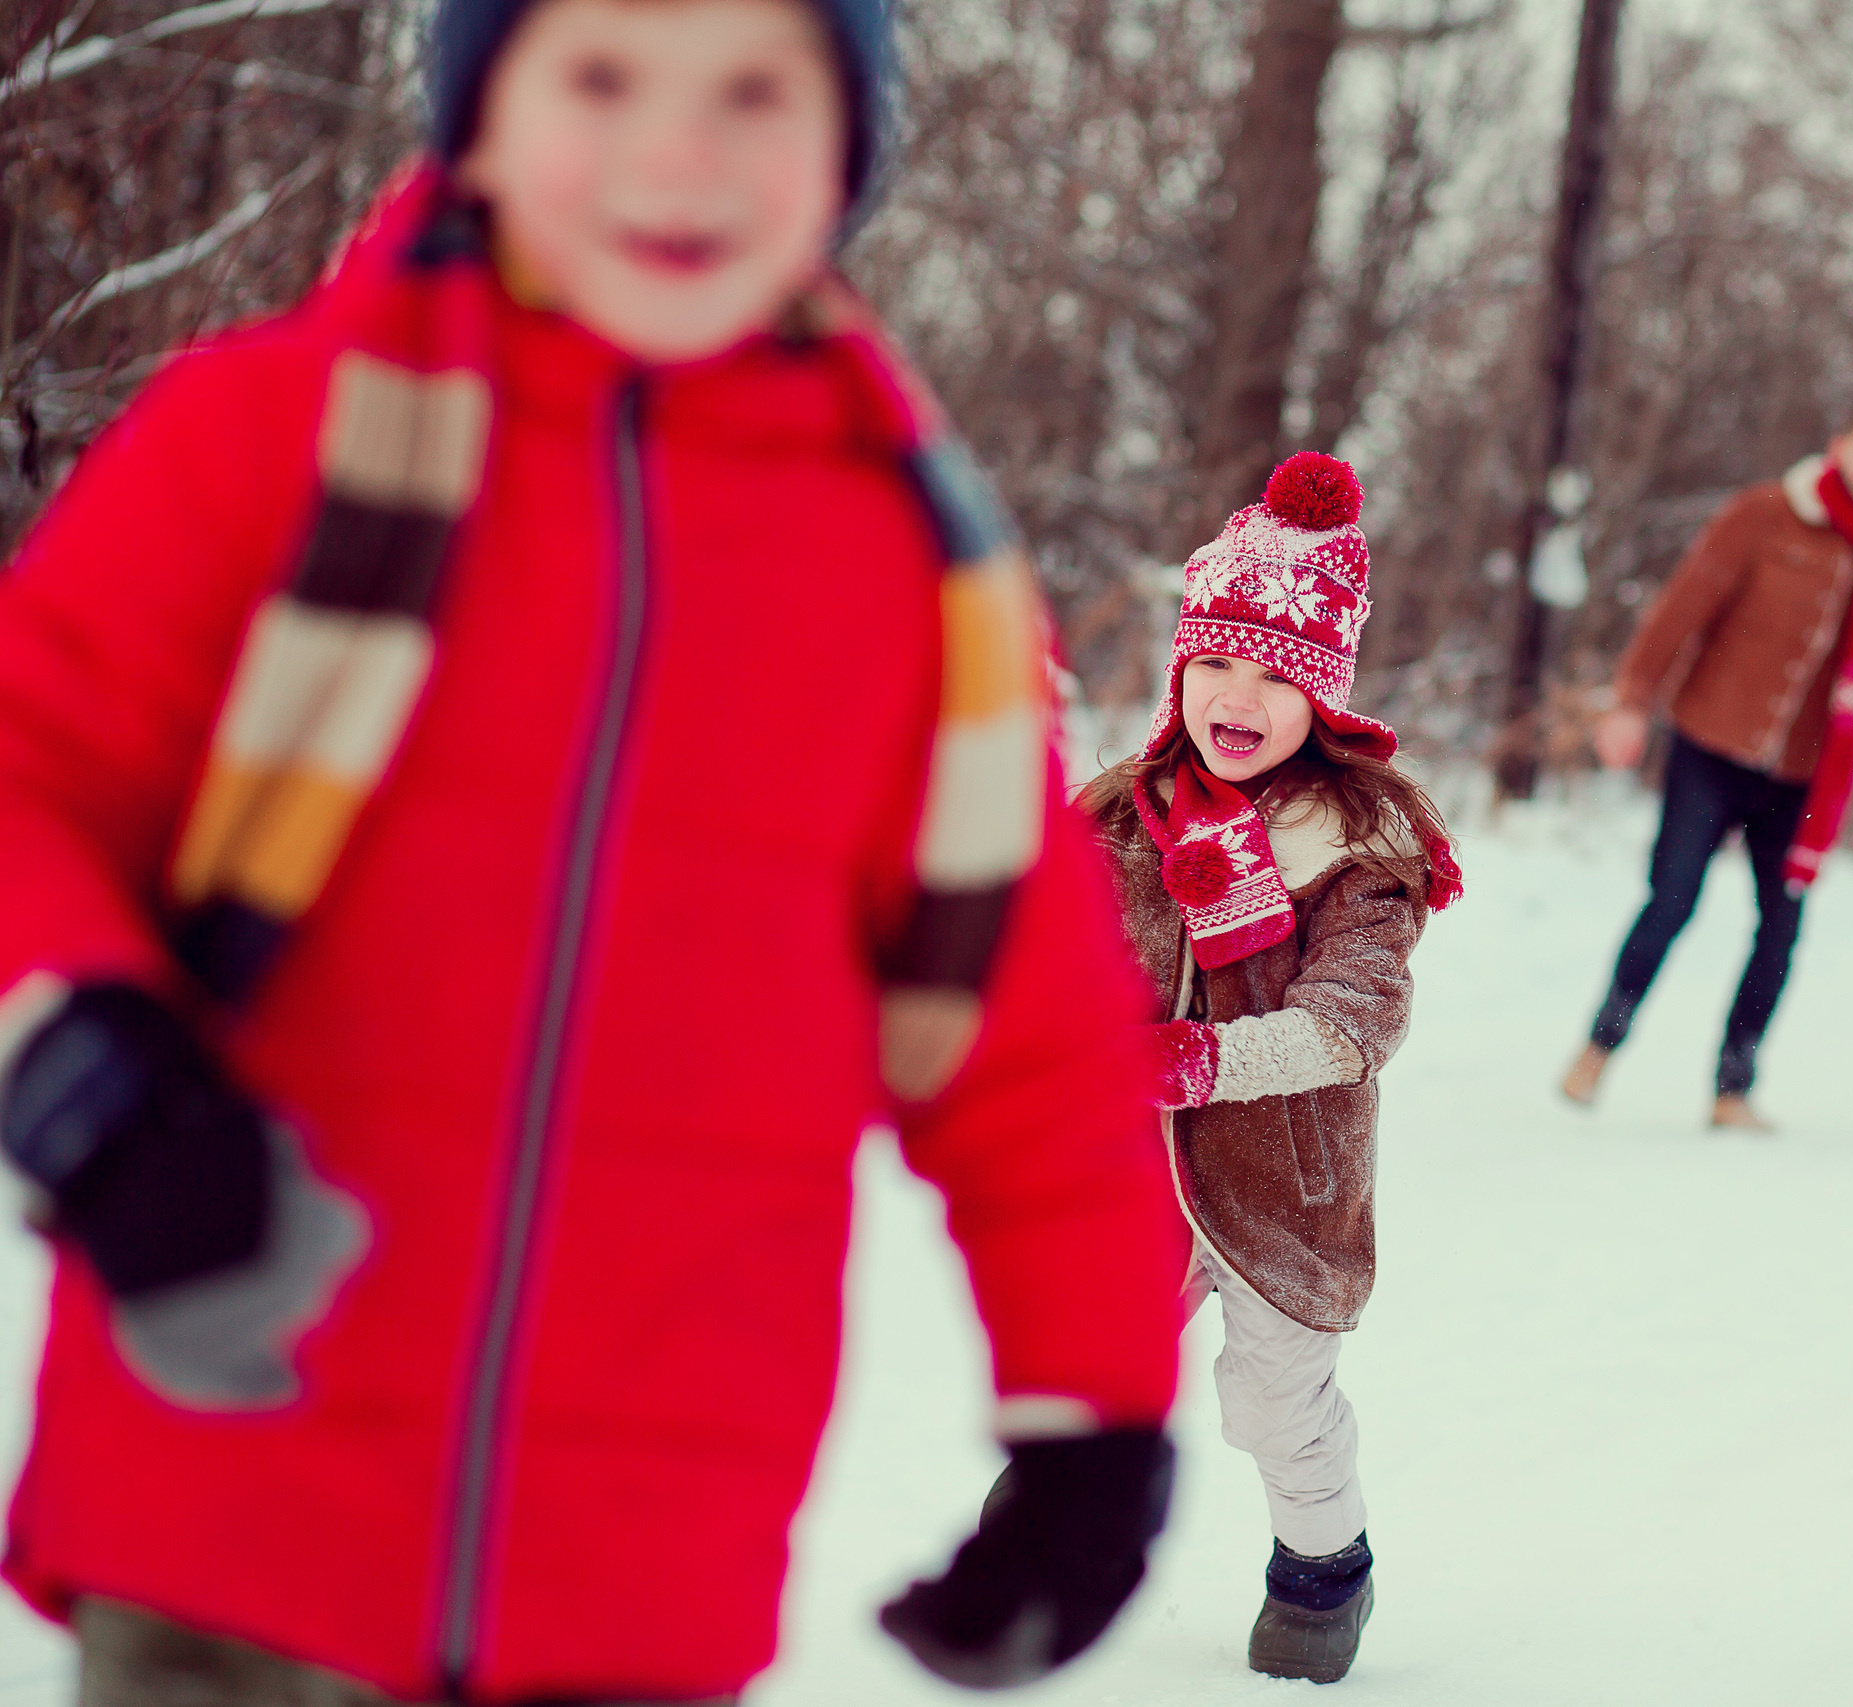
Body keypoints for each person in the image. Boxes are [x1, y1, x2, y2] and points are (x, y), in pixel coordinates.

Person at [0, 0, 1189, 1700]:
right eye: (605, 75)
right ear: (479, 115)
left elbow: (1036, 1047)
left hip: (631, 1574)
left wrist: (1095, 1425)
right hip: (233, 1512)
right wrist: (88, 1069)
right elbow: (26, 775)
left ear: (844, 148)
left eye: (757, 89)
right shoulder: (270, 441)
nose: (680, 147)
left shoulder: (906, 585)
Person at [1077, 452, 1461, 1686]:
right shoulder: (1122, 820)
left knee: (1271, 1399)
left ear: (1321, 701)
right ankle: (1059, 1536)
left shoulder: (1356, 850)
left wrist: (1186, 1061)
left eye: (1273, 673)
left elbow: (1351, 1024)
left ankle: (1321, 1570)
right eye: (1216, 662)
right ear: (1182, 669)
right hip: (1132, 1173)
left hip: (1282, 1183)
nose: (1237, 695)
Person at [1563, 404, 1853, 1127]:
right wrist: (1631, 700)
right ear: (1839, 448)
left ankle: (1733, 1087)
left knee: (1780, 928)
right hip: (1710, 743)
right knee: (1671, 901)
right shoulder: (1764, 516)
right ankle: (1598, 1046)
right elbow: (1682, 608)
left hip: (1799, 777)